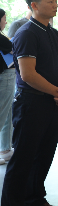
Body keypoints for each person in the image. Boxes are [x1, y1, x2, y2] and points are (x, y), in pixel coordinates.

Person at [0, 0, 58, 206]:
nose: (55, 5)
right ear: (34, 5)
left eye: (56, 0)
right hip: (32, 103)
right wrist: (57, 92)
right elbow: (28, 74)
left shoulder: (52, 32)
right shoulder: (26, 33)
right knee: (22, 159)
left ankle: (33, 200)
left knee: (44, 154)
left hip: (53, 101)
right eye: (50, 1)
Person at [0, 9, 14, 166]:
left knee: (6, 113)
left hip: (6, 76)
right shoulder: (2, 39)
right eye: (4, 19)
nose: (5, 22)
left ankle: (5, 149)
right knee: (2, 113)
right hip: (5, 76)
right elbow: (14, 49)